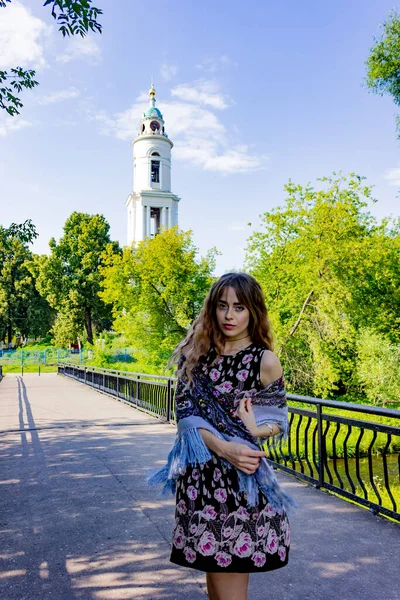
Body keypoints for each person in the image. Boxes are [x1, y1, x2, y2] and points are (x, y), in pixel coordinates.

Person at [149, 272, 294, 600]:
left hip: (240, 486)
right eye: (223, 306)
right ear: (212, 308)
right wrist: (223, 447)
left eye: (239, 307)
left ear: (253, 311)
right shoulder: (194, 355)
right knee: (215, 584)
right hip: (201, 481)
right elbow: (185, 416)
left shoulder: (264, 361)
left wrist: (256, 429)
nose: (230, 315)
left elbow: (277, 421)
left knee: (230, 588)